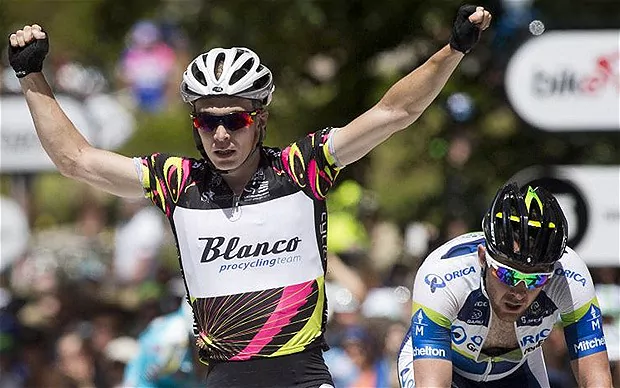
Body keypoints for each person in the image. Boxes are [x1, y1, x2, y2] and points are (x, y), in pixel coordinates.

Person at [8, 5, 492, 387]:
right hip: (223, 378)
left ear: (259, 119)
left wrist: (451, 50)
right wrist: (31, 76)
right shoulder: (177, 181)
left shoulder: (302, 167)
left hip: (304, 376)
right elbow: (75, 159)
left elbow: (393, 113)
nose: (221, 135)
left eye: (234, 120)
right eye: (207, 121)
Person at [397, 182, 613, 387]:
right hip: (448, 369)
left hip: (515, 372)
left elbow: (597, 381)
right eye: (507, 275)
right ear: (482, 258)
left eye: (536, 280)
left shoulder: (569, 276)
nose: (519, 292)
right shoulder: (444, 277)